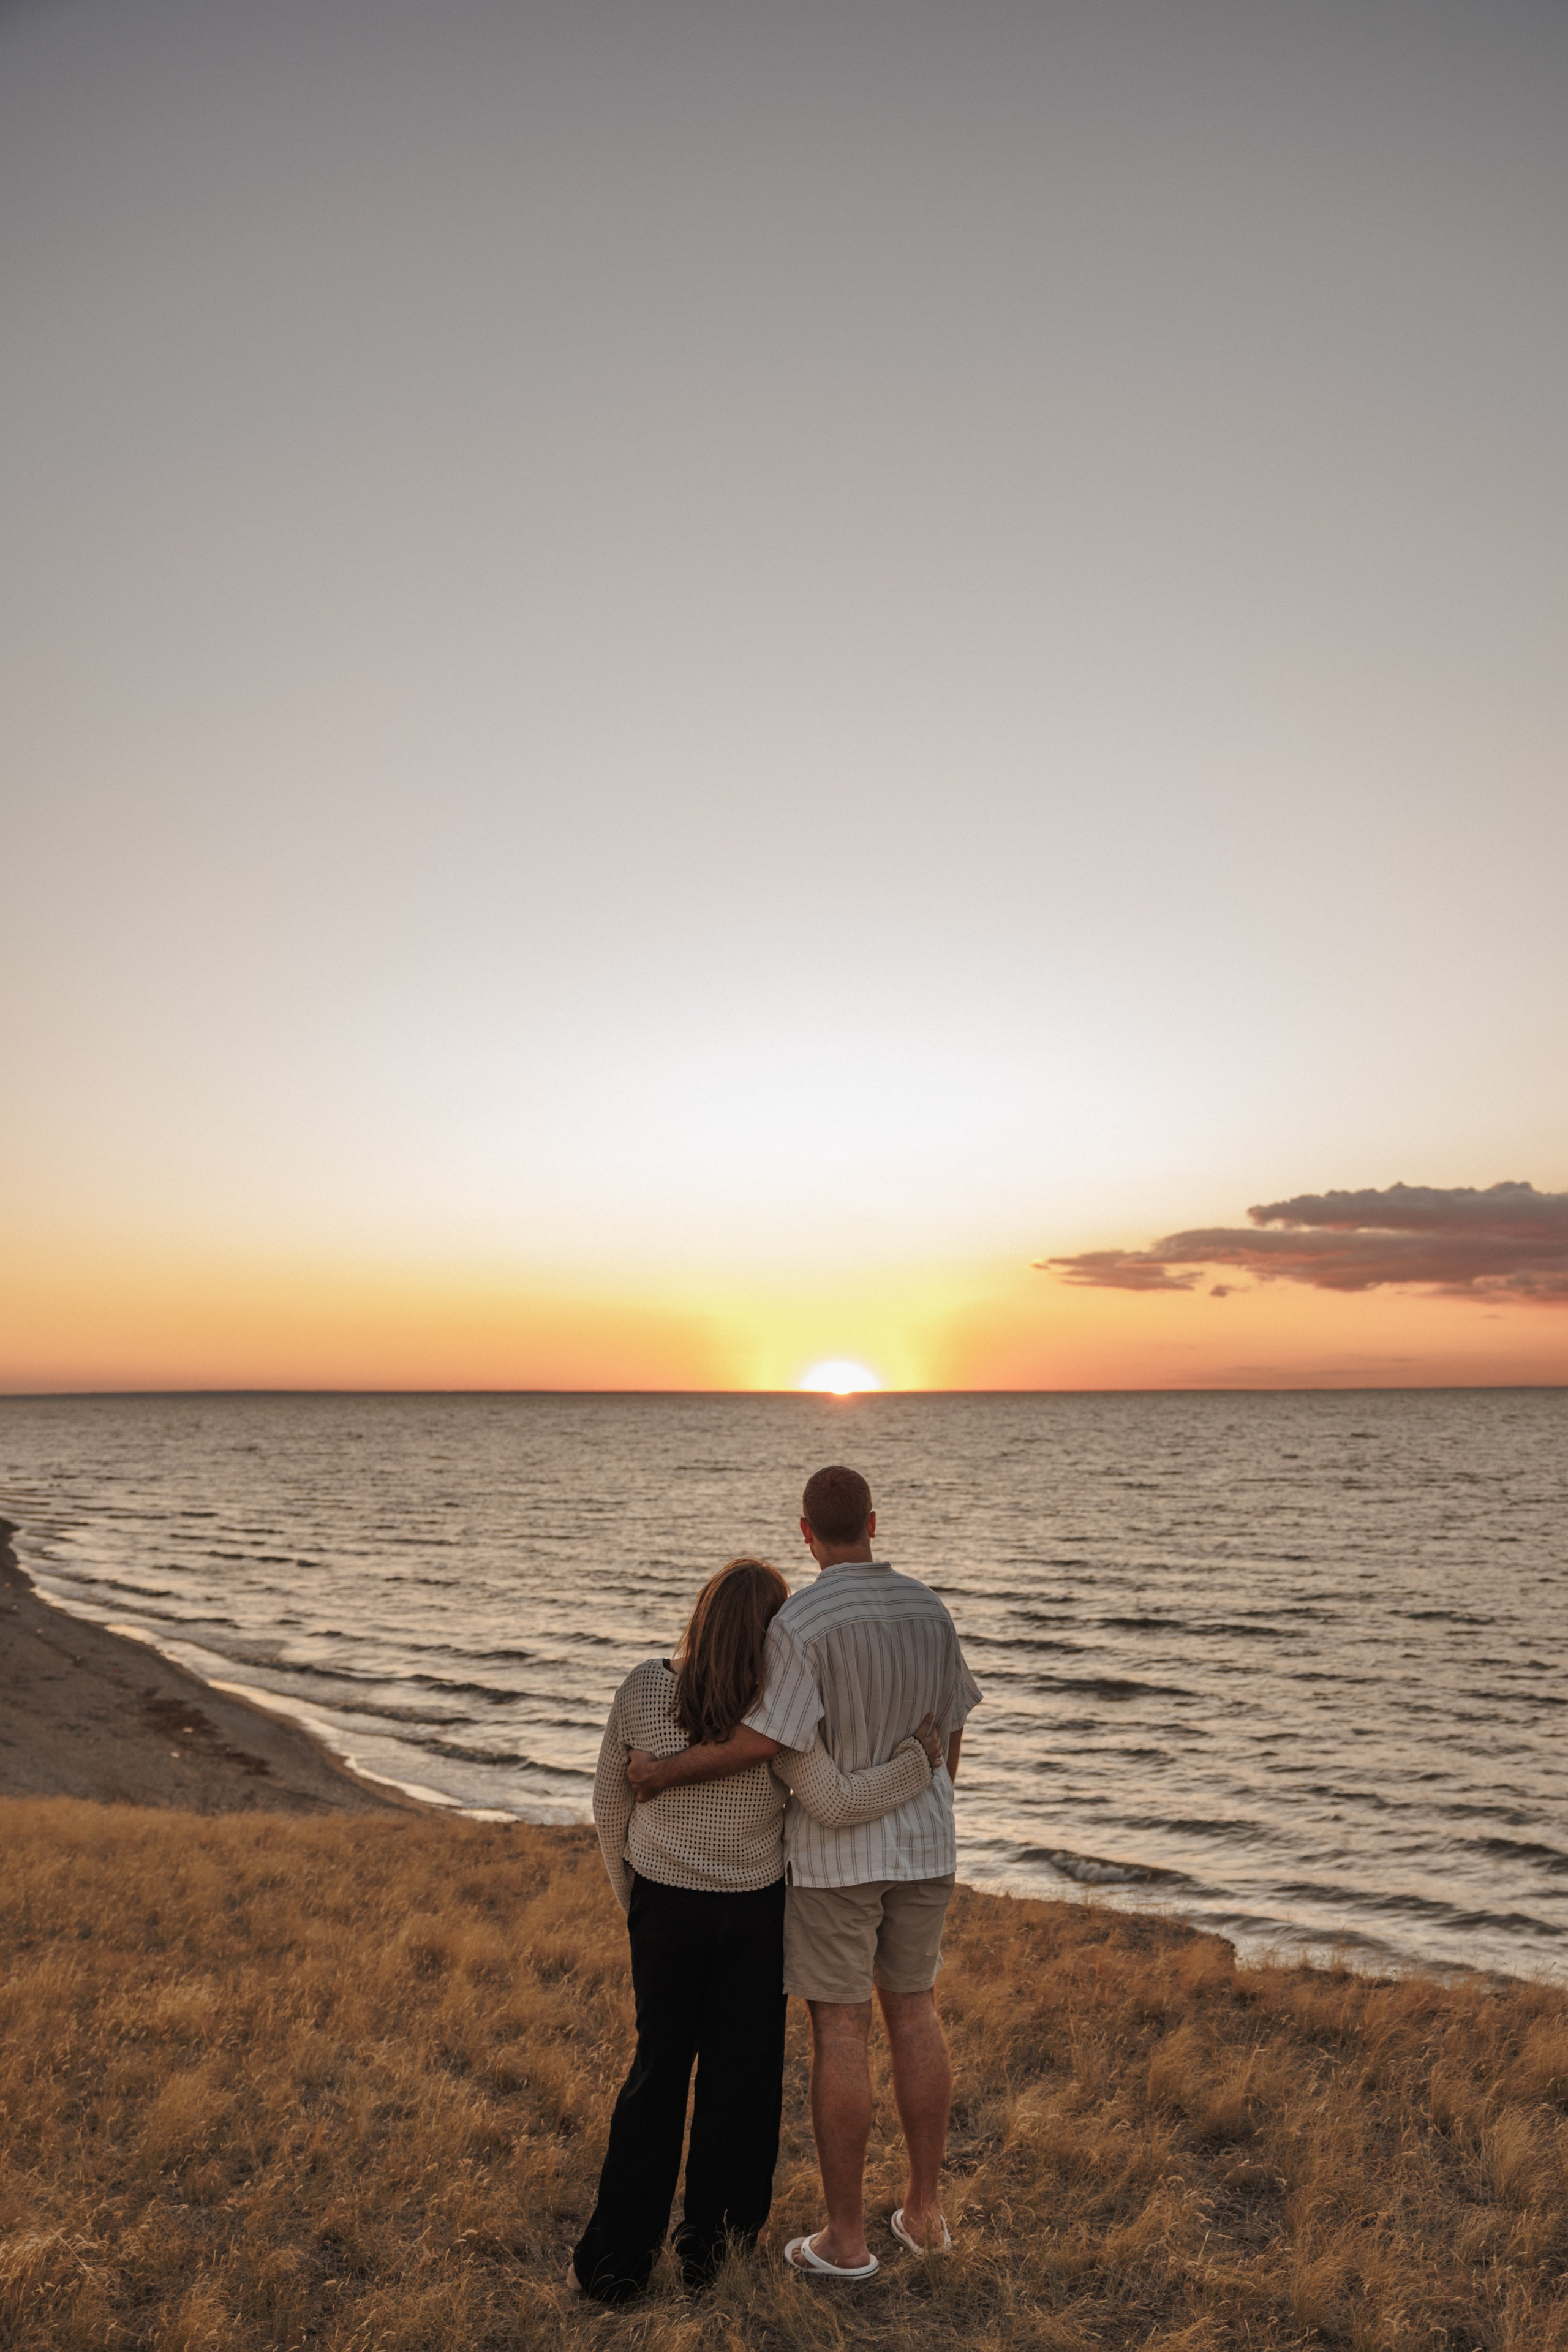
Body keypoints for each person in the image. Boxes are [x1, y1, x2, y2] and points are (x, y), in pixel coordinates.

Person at [628, 1466, 980, 2282]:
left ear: (806, 1533)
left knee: (842, 2030)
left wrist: (665, 1772)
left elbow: (764, 1741)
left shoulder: (801, 1623)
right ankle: (925, 2214)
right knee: (917, 2014)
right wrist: (930, 1797)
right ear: (874, 1522)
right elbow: (951, 1731)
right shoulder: (931, 1608)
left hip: (834, 1861)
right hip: (926, 1848)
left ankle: (846, 2241)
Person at [571, 1553, 943, 2304]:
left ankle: (616, 2264)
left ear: (702, 1614)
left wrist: (634, 1900)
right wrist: (917, 1762)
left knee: (655, 2078)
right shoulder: (775, 1713)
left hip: (663, 1910)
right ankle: (714, 2255)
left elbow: (610, 1804)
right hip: (749, 1917)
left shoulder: (645, 1684)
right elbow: (836, 1804)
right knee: (738, 2090)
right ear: (771, 1634)